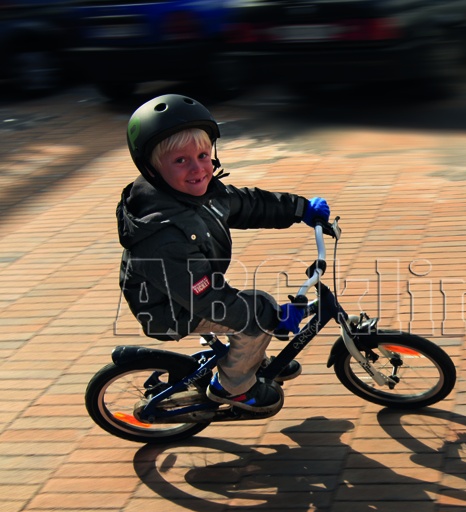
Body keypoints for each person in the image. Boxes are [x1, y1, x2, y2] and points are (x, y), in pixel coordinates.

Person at [116, 94, 329, 413]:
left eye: (203, 155)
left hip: (189, 291)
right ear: (151, 168)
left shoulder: (195, 193)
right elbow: (206, 300)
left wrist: (299, 209)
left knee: (259, 303)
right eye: (180, 160)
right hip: (169, 309)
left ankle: (248, 359)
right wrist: (271, 319)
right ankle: (234, 387)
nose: (198, 168)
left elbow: (246, 204)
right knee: (258, 318)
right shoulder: (162, 235)